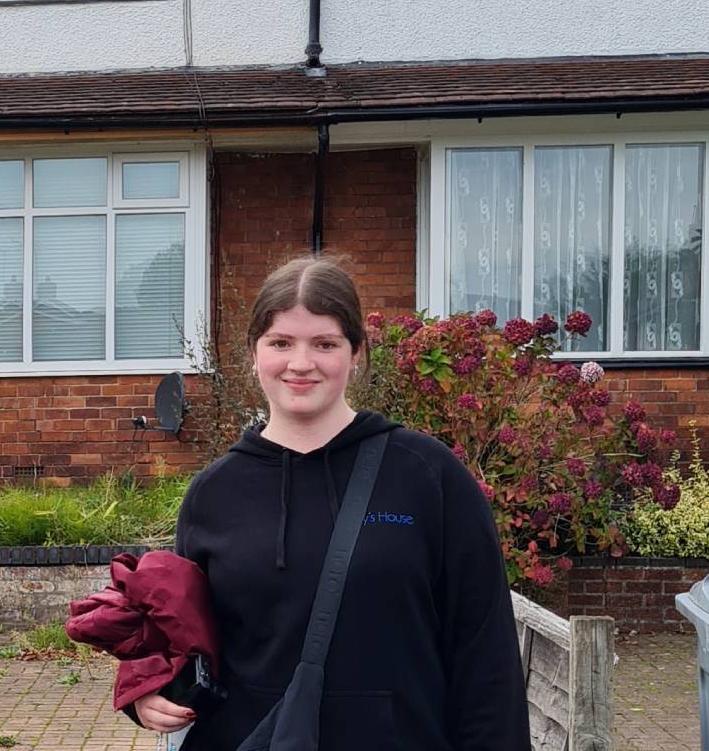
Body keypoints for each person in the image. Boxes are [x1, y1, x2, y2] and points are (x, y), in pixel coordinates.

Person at [133, 255, 530, 751]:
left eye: (324, 343)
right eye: (280, 343)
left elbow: (484, 653)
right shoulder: (214, 493)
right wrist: (147, 691)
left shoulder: (427, 476)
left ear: (356, 353)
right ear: (253, 354)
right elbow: (184, 636)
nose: (301, 363)